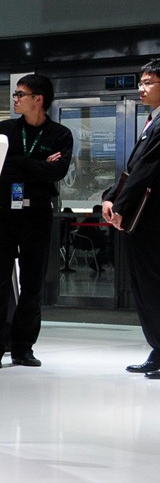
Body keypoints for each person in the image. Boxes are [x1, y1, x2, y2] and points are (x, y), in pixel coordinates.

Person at [0, 74, 73, 368]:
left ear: (38, 99)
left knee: (32, 283)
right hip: (4, 211)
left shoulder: (60, 134)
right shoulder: (4, 130)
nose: (15, 99)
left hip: (37, 212)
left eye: (20, 95)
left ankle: (23, 348)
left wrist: (19, 164)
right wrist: (36, 165)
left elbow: (57, 172)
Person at [102, 59, 160, 379]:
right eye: (141, 81)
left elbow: (146, 170)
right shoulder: (152, 120)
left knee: (152, 284)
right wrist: (110, 197)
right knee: (145, 285)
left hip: (152, 220)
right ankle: (157, 348)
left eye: (149, 82)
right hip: (144, 220)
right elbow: (132, 169)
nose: (141, 88)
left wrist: (121, 207)